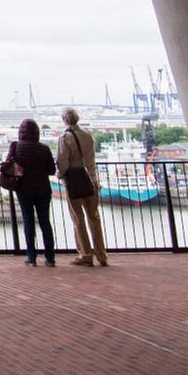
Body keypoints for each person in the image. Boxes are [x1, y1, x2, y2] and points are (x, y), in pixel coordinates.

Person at [56, 107, 109, 267]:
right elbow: (91, 158)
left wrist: (60, 175)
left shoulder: (65, 138)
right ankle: (102, 255)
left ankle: (86, 254)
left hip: (75, 182)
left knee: (78, 218)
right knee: (94, 217)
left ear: (64, 120)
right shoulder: (88, 136)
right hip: (92, 180)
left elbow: (62, 162)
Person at [4, 118, 56, 266]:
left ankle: (31, 257)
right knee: (45, 221)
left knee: (28, 221)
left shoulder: (16, 146)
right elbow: (52, 170)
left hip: (23, 188)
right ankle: (50, 258)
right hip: (43, 189)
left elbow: (8, 165)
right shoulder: (44, 149)